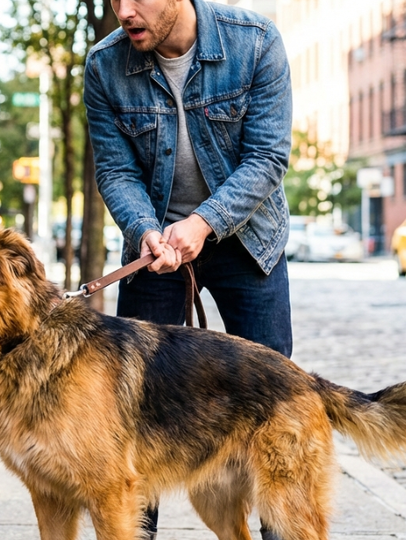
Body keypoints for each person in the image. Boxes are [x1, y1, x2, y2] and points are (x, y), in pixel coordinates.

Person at [83, 0, 293, 538]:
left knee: (271, 401)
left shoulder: (256, 42)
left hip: (248, 240)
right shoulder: (104, 65)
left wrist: (202, 223)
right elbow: (115, 168)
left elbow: (267, 157)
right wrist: (144, 228)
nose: (124, 11)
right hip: (156, 251)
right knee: (134, 409)